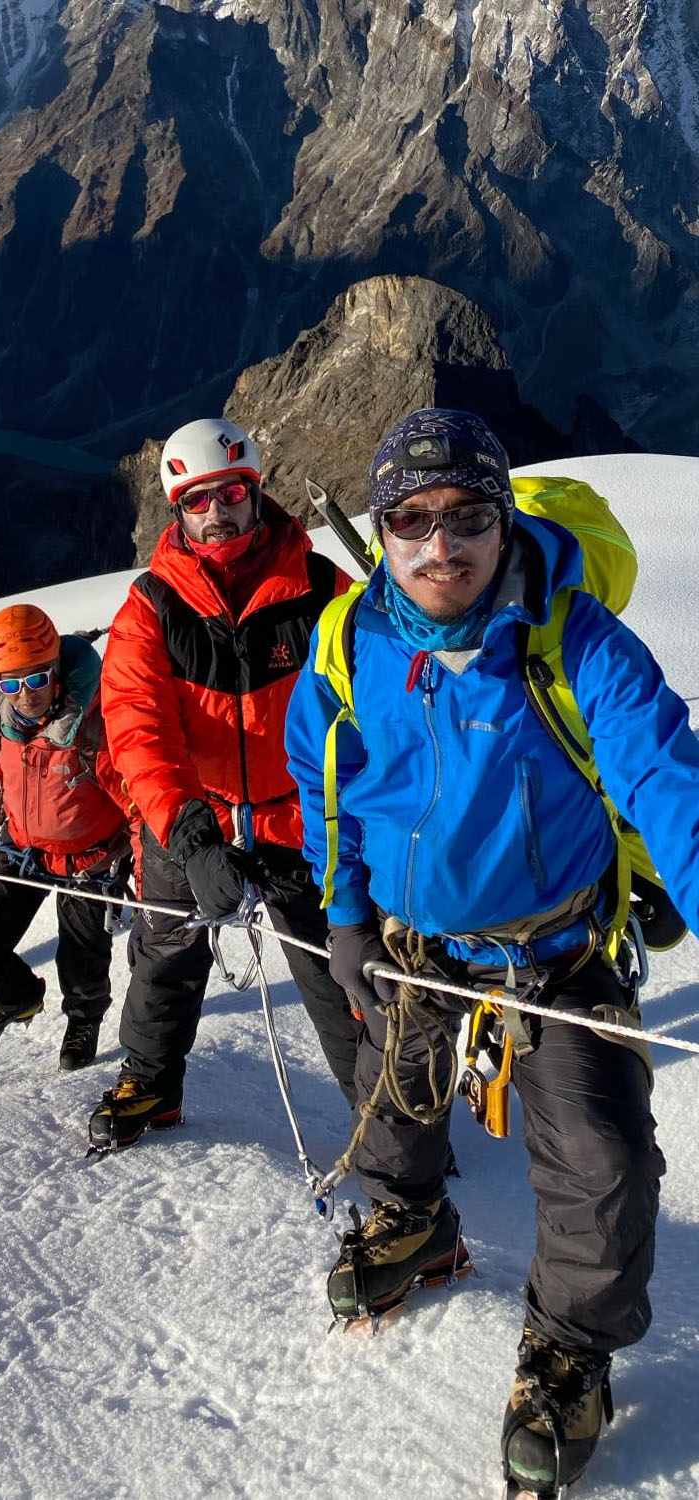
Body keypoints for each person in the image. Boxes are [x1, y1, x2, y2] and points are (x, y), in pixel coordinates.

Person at [284, 407, 699, 1497]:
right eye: (411, 519)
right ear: (380, 530)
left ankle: (569, 1350)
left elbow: (668, 781)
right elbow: (326, 788)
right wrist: (343, 914)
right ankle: (411, 1218)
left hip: (553, 950)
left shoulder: (572, 639)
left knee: (601, 1157)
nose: (441, 545)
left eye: (467, 514)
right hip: (413, 939)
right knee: (390, 1089)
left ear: (504, 518)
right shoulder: (347, 646)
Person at [88, 416, 361, 1151]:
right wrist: (190, 834)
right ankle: (149, 1082)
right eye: (198, 500)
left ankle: (388, 1123)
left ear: (256, 491)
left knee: (338, 969)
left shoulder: (320, 589)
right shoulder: (152, 607)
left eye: (232, 493)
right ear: (177, 510)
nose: (218, 513)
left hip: (299, 818)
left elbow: (370, 701)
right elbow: (138, 728)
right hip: (192, 815)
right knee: (166, 952)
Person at [0, 605, 131, 1066]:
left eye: (35, 679)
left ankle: (84, 1019)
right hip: (21, 848)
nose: (25, 694)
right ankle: (16, 998)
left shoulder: (96, 717)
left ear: (56, 670)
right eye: (10, 683)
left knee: (83, 957)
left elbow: (136, 798)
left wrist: (151, 870)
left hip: (90, 858)